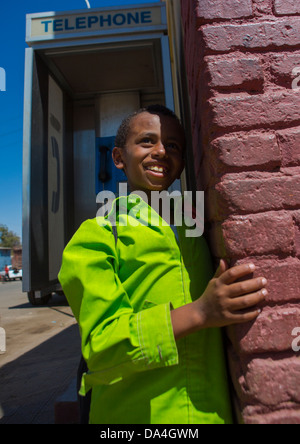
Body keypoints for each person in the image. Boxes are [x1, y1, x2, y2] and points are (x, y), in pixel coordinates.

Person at [58, 105, 267, 424]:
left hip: (213, 414)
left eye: (173, 146)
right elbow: (101, 345)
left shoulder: (197, 228)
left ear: (183, 163)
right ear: (118, 158)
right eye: (146, 141)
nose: (160, 151)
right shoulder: (97, 236)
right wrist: (201, 313)